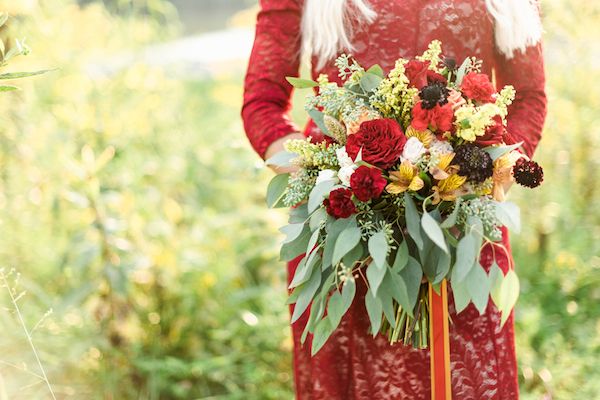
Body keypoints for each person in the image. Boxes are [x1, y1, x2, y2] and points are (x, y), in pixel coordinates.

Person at [241, 0, 547, 398]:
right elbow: (262, 101)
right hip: (344, 235)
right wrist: (326, 173)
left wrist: (487, 169)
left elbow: (527, 96)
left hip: (462, 225)